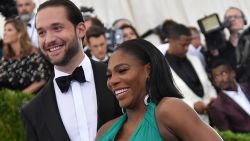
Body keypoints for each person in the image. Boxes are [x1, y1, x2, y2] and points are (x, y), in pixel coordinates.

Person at [20, 0, 122, 141]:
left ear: (80, 30)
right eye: (42, 32)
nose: (48, 39)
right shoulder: (33, 112)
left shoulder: (121, 79)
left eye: (57, 28)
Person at [96, 39, 222, 141]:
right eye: (109, 75)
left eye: (122, 70)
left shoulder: (169, 110)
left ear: (148, 70)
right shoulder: (104, 131)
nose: (112, 81)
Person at [160, 24, 217, 123]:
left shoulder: (195, 59)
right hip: (189, 123)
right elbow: (166, 100)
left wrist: (213, 98)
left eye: (188, 44)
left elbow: (207, 84)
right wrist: (192, 106)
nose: (187, 48)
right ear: (171, 40)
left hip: (213, 116)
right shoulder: (161, 69)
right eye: (183, 45)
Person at [0, 18, 51, 93]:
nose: (5, 33)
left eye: (9, 30)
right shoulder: (5, 58)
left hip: (28, 100)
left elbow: (42, 80)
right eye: (5, 30)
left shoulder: (34, 54)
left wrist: (20, 96)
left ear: (19, 33)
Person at [208, 59, 250, 133]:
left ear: (233, 73)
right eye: (216, 77)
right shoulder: (217, 107)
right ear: (214, 82)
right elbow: (228, 135)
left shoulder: (247, 87)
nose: (221, 79)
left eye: (223, 73)